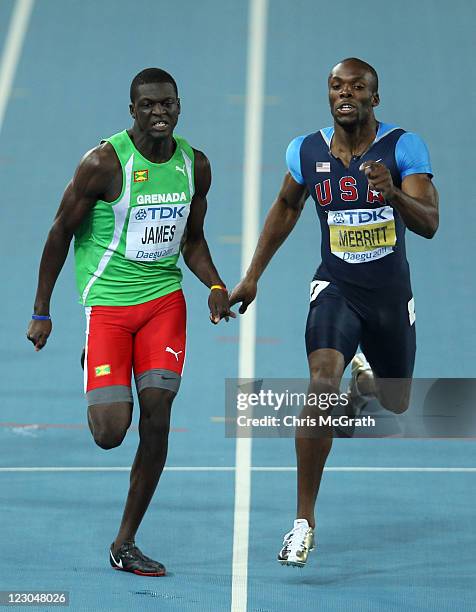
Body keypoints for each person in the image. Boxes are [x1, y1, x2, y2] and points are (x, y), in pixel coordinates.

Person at [230, 58, 438, 567]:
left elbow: (430, 222)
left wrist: (391, 194)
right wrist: (252, 275)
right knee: (321, 386)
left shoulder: (404, 147)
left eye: (358, 87)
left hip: (389, 296)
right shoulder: (306, 151)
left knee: (398, 401)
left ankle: (367, 372)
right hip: (336, 289)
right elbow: (285, 207)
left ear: (375, 97)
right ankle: (303, 521)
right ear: (328, 95)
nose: (346, 94)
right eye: (336, 86)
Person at [27, 68, 234, 576]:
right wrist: (42, 310)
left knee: (157, 416)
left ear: (179, 107)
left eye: (167, 104)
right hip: (109, 308)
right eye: (148, 105)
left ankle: (125, 541)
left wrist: (214, 285)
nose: (158, 112)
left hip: (164, 302)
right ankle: (96, 360)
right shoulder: (103, 163)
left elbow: (192, 239)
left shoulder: (195, 166)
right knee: (110, 433)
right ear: (132, 110)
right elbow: (59, 233)